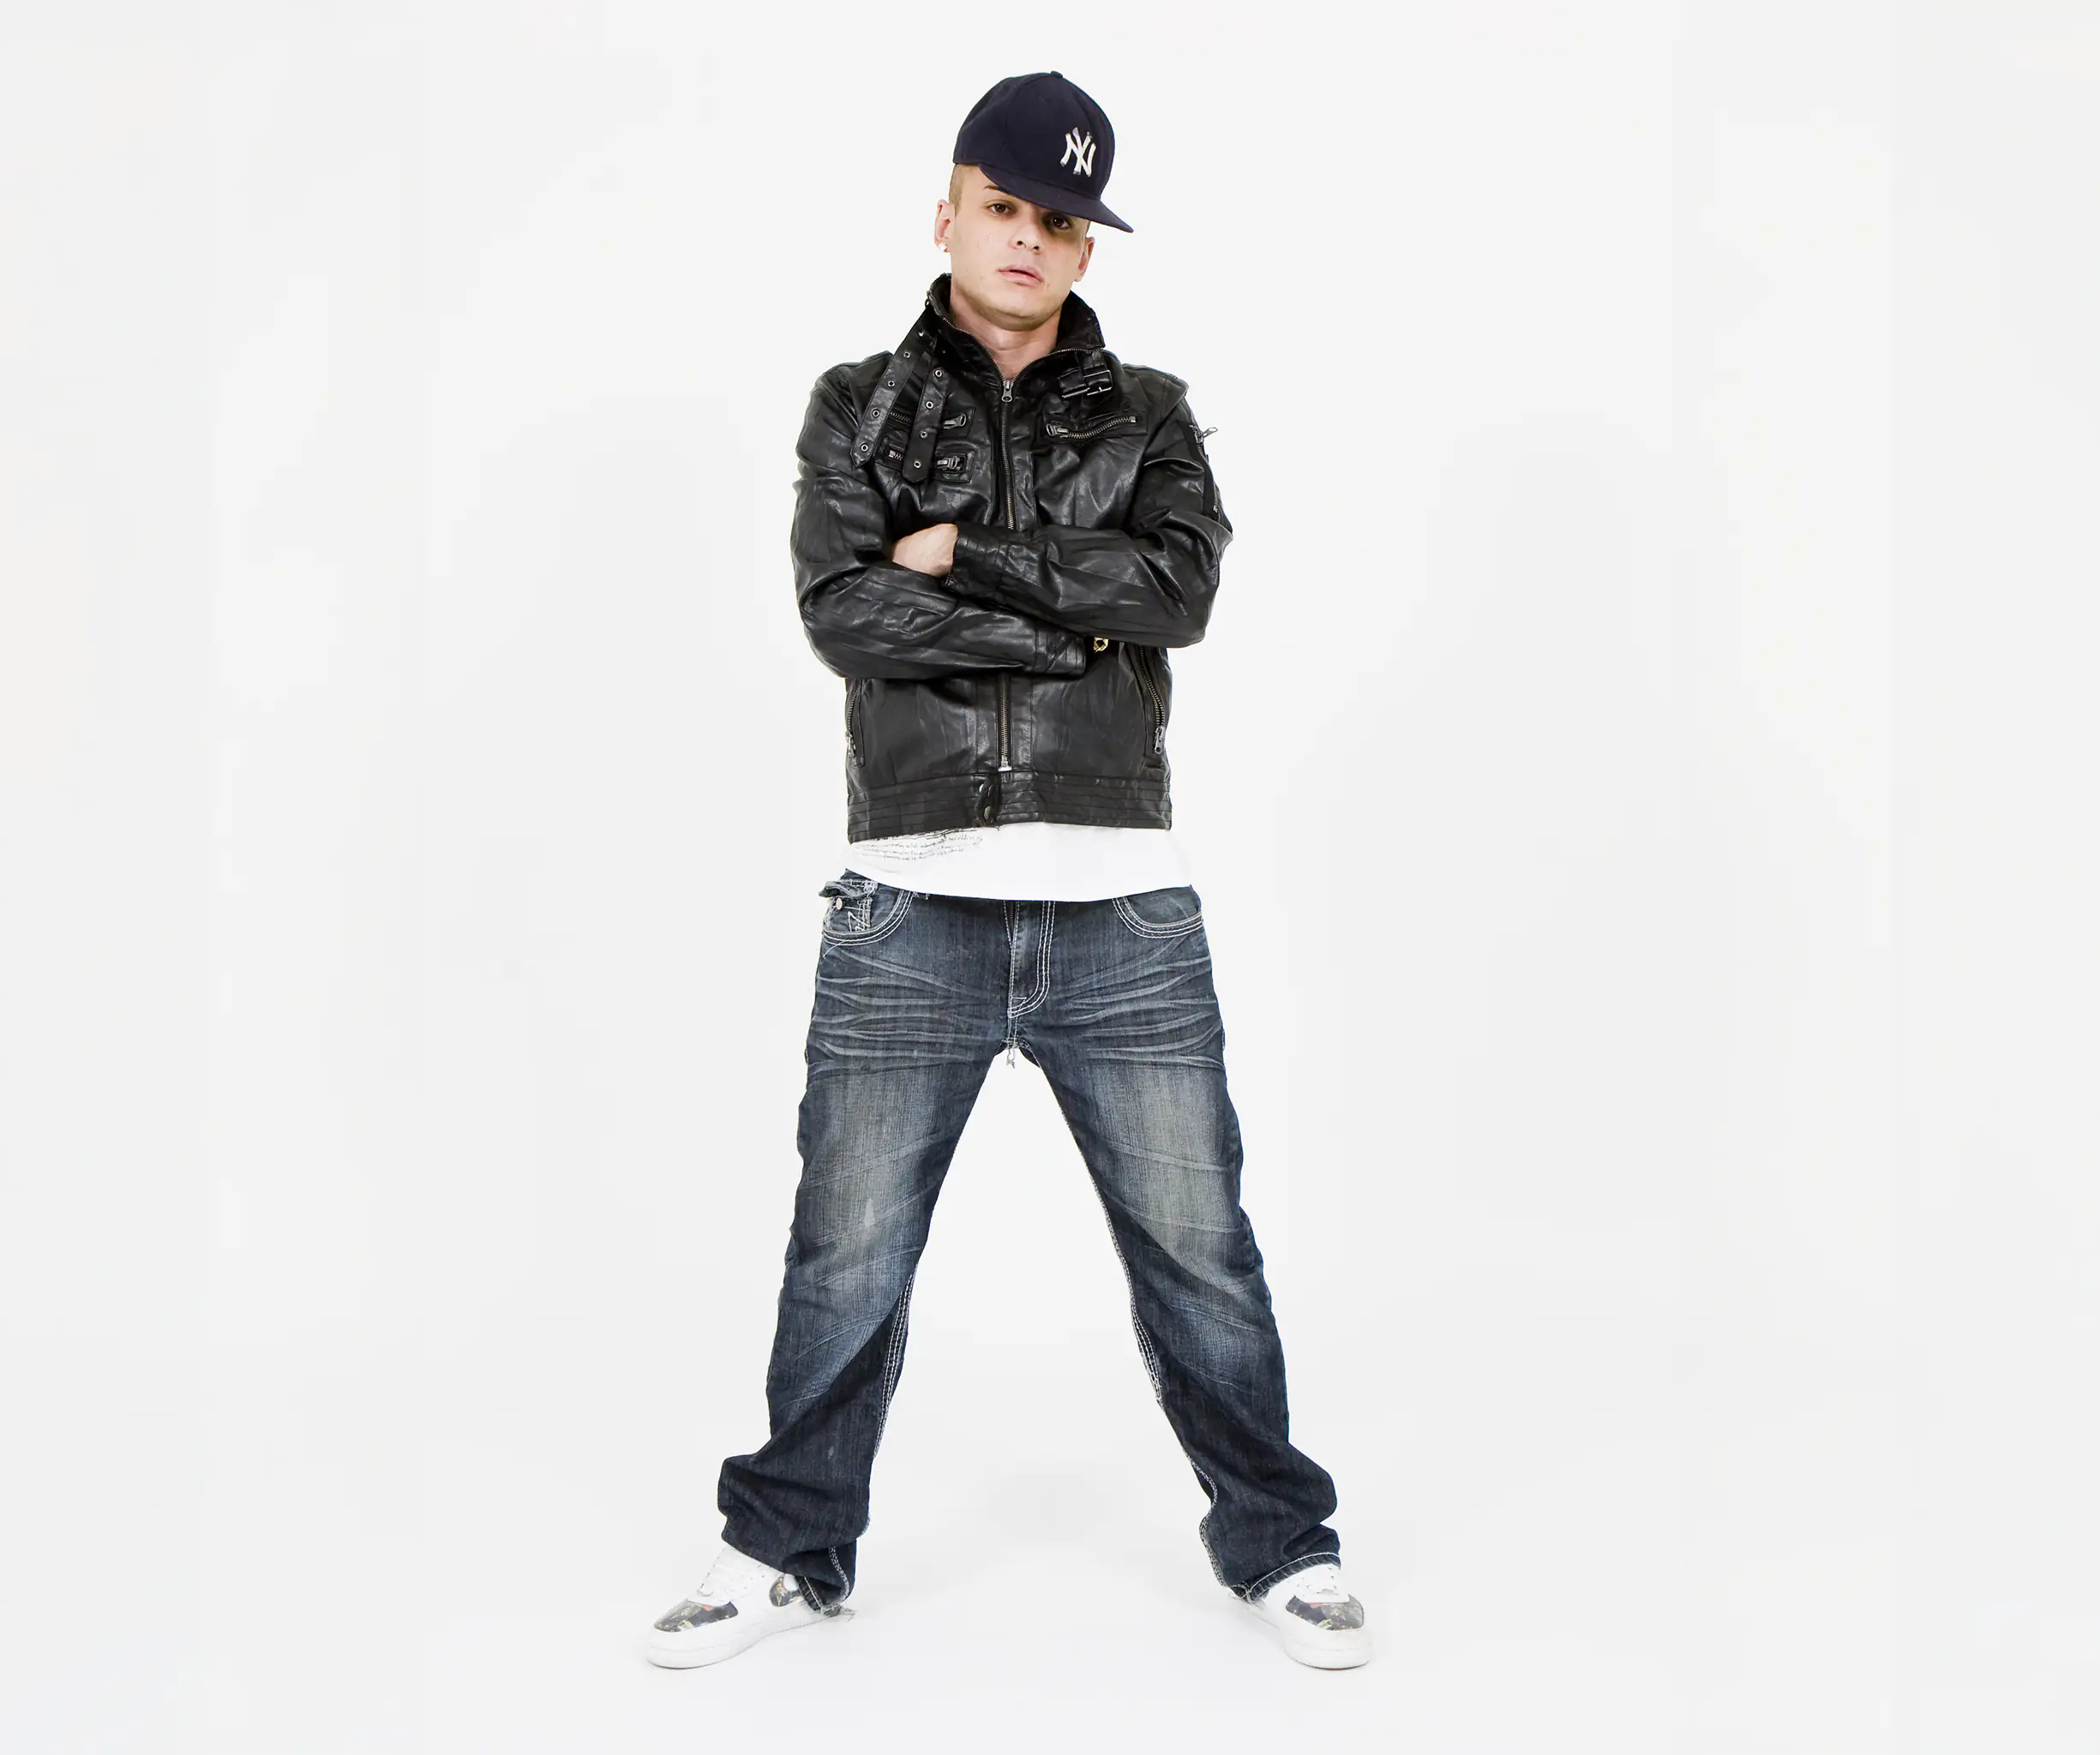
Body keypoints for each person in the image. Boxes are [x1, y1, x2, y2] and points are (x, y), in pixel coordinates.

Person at [645, 71, 1369, 1674]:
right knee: (846, 1252)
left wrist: (965, 554)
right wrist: (1064, 628)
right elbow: (844, 613)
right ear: (948, 213)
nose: (1027, 239)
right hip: (911, 898)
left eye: (1058, 222)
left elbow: (1174, 598)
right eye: (1002, 208)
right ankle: (784, 1548)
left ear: (1086, 249)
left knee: (1200, 1250)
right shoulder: (857, 405)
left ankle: (1280, 1543)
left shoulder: (1151, 412)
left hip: (1122, 906)